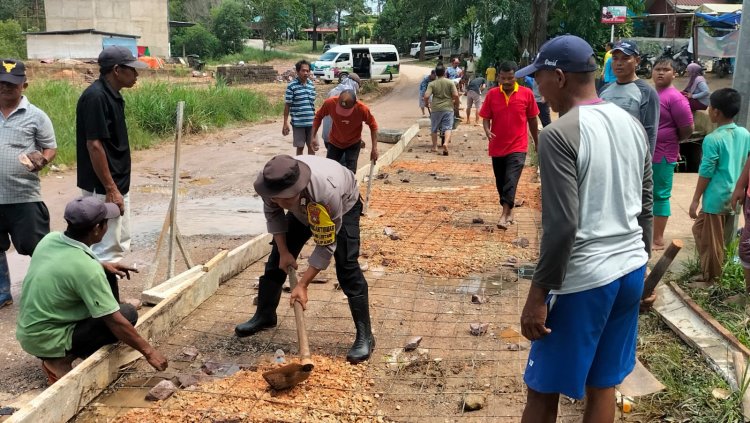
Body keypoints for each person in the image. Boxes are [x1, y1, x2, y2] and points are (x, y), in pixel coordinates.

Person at [515, 34, 652, 423]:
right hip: (628, 271)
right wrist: (642, 270)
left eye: (537, 79)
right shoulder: (630, 125)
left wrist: (537, 295)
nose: (536, 89)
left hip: (584, 281)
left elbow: (562, 226)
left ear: (558, 77)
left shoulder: (558, 136)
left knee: (543, 388)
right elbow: (644, 207)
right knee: (602, 382)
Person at [234, 155, 375, 364]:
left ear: (299, 188)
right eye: (276, 198)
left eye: (285, 199)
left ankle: (366, 337)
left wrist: (303, 284)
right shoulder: (269, 184)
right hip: (302, 210)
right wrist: (283, 252)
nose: (279, 203)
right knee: (275, 263)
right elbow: (274, 216)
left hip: (344, 206)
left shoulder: (326, 192)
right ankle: (265, 315)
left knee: (347, 266)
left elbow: (326, 243)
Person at [16, 196, 169, 384]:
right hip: (48, 340)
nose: (107, 227)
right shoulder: (87, 270)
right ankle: (58, 362)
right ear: (97, 229)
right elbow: (115, 322)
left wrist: (103, 265)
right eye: (106, 223)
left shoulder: (50, 239)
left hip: (30, 332)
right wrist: (149, 352)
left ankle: (109, 307)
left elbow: (70, 263)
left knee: (107, 275)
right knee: (126, 315)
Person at [76, 46, 147, 263]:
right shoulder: (96, 97)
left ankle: (110, 295)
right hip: (103, 187)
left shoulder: (112, 95)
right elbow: (94, 145)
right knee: (105, 247)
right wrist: (110, 188)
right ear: (117, 70)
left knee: (118, 241)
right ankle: (104, 297)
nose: (136, 75)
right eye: (132, 70)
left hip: (115, 183)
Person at [0, 59, 57, 309]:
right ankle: (3, 294)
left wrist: (42, 160)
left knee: (38, 247)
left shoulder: (36, 116)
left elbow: (50, 147)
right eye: (1, 83)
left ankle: (44, 293)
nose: (5, 88)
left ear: (24, 84)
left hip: (24, 195)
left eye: (11, 84)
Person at [690, 88, 750, 284]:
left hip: (715, 198)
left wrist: (695, 199)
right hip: (735, 195)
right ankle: (712, 270)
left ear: (715, 111)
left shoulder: (713, 139)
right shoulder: (744, 134)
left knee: (712, 240)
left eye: (709, 107)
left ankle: (712, 279)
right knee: (702, 231)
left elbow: (706, 172)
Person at [479, 61, 539, 230]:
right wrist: (487, 130)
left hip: (518, 146)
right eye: (503, 78)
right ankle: (509, 210)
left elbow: (533, 119)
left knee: (511, 180)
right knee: (501, 181)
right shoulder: (492, 95)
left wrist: (536, 141)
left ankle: (504, 215)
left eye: (510, 78)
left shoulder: (527, 94)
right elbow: (485, 117)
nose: (506, 82)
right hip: (497, 146)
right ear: (498, 77)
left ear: (516, 77)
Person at [652, 58, 694, 250]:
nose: (660, 73)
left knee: (660, 195)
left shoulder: (676, 98)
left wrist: (672, 141)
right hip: (645, 153)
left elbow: (687, 128)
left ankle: (657, 239)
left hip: (663, 153)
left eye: (665, 70)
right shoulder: (651, 93)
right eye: (657, 69)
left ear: (674, 74)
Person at [599, 39, 660, 156]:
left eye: (625, 58)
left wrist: (645, 169)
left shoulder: (647, 92)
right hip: (603, 156)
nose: (619, 63)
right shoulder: (604, 90)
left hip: (630, 158)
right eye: (615, 58)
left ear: (637, 61)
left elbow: (650, 133)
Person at [311, 89, 378, 173]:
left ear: (355, 104)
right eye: (341, 109)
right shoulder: (330, 103)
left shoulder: (362, 109)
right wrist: (313, 136)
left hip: (353, 143)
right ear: (338, 100)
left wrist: (374, 148)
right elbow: (318, 116)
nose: (343, 113)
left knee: (350, 172)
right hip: (335, 142)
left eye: (346, 110)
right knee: (329, 170)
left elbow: (373, 126)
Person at [322, 73, 361, 163]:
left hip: (327, 136)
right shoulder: (350, 96)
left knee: (332, 165)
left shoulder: (332, 91)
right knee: (342, 166)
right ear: (355, 84)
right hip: (340, 139)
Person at [424, 64, 460, 156]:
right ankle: (445, 143)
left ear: (436, 73)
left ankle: (435, 146)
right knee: (448, 127)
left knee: (434, 128)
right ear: (444, 73)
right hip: (448, 108)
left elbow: (426, 96)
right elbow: (456, 95)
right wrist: (456, 103)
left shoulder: (432, 84)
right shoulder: (450, 82)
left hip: (436, 109)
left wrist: (426, 103)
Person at [283, 60, 316, 156]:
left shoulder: (311, 85)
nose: (306, 73)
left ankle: (312, 168)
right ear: (297, 71)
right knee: (300, 147)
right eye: (303, 70)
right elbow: (287, 105)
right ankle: (300, 169)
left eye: (307, 71)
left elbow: (312, 104)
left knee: (312, 147)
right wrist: (285, 123)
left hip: (311, 123)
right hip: (298, 123)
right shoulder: (292, 86)